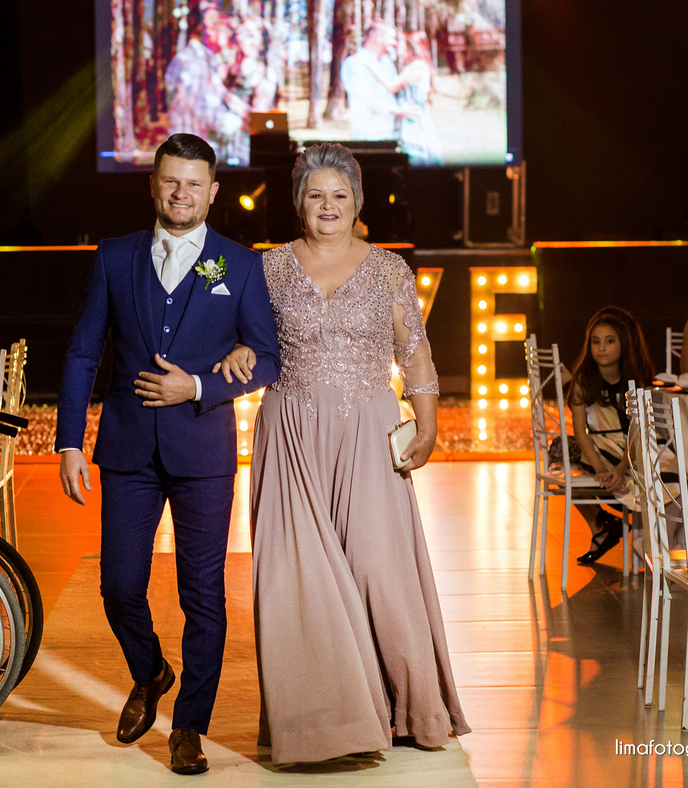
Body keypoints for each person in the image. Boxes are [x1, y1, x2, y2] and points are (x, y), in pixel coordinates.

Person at [217, 142, 469, 764]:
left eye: (339, 194)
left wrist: (429, 424)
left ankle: (406, 707)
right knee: (298, 576)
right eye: (315, 195)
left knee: (379, 568)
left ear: (357, 202)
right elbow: (241, 338)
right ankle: (324, 725)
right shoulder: (266, 269)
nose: (327, 206)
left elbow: (415, 352)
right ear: (297, 202)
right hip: (291, 433)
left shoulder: (388, 270)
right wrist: (237, 351)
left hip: (370, 429)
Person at [55, 133, 280, 775]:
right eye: (171, 181)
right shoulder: (115, 256)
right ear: (153, 185)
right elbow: (83, 353)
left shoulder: (240, 265)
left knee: (202, 594)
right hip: (127, 448)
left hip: (203, 451)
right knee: (119, 584)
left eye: (194, 183)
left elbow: (268, 357)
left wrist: (201, 386)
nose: (181, 193)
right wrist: (70, 440)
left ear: (213, 192)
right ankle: (151, 669)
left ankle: (189, 727)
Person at [565, 306, 656, 564]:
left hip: (629, 447)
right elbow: (579, 430)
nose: (601, 348)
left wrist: (621, 467)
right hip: (597, 446)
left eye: (609, 341)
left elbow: (638, 430)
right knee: (566, 460)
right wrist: (601, 469)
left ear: (623, 345)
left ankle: (654, 542)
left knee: (660, 470)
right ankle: (603, 524)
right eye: (596, 342)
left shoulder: (634, 379)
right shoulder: (584, 380)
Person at [165, 7, 251, 165]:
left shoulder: (205, 60)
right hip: (189, 155)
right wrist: (239, 122)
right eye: (220, 28)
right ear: (205, 30)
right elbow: (206, 114)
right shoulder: (190, 63)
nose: (227, 35)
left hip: (197, 150)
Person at [340, 20, 416, 141]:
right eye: (392, 38)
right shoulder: (354, 63)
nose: (395, 43)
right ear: (378, 37)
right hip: (369, 134)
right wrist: (397, 110)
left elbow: (394, 88)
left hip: (391, 132)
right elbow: (364, 98)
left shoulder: (387, 62)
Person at [397, 31, 443, 165]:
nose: (397, 45)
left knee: (418, 159)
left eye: (401, 43)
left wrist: (369, 65)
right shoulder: (418, 66)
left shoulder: (417, 66)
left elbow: (392, 85)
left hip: (415, 120)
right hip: (416, 118)